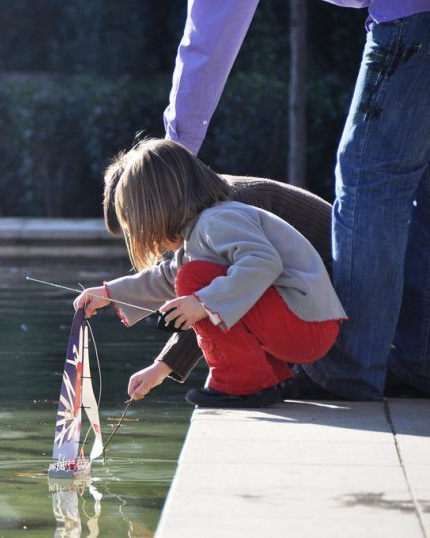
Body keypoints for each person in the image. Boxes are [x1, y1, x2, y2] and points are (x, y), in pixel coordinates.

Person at [163, 1, 430, 400]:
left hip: (411, 18)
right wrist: (112, 295)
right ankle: (419, 360)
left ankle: (347, 371)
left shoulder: (223, 219)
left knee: (369, 177)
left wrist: (174, 155)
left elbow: (207, 37)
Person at [74, 139, 347, 408]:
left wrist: (203, 302)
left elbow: (263, 262)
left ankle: (241, 384)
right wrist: (111, 294)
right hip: (307, 322)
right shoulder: (204, 226)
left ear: (161, 208)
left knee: (193, 279)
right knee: (190, 277)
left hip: (307, 323)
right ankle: (274, 379)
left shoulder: (217, 220)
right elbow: (167, 276)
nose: (153, 242)